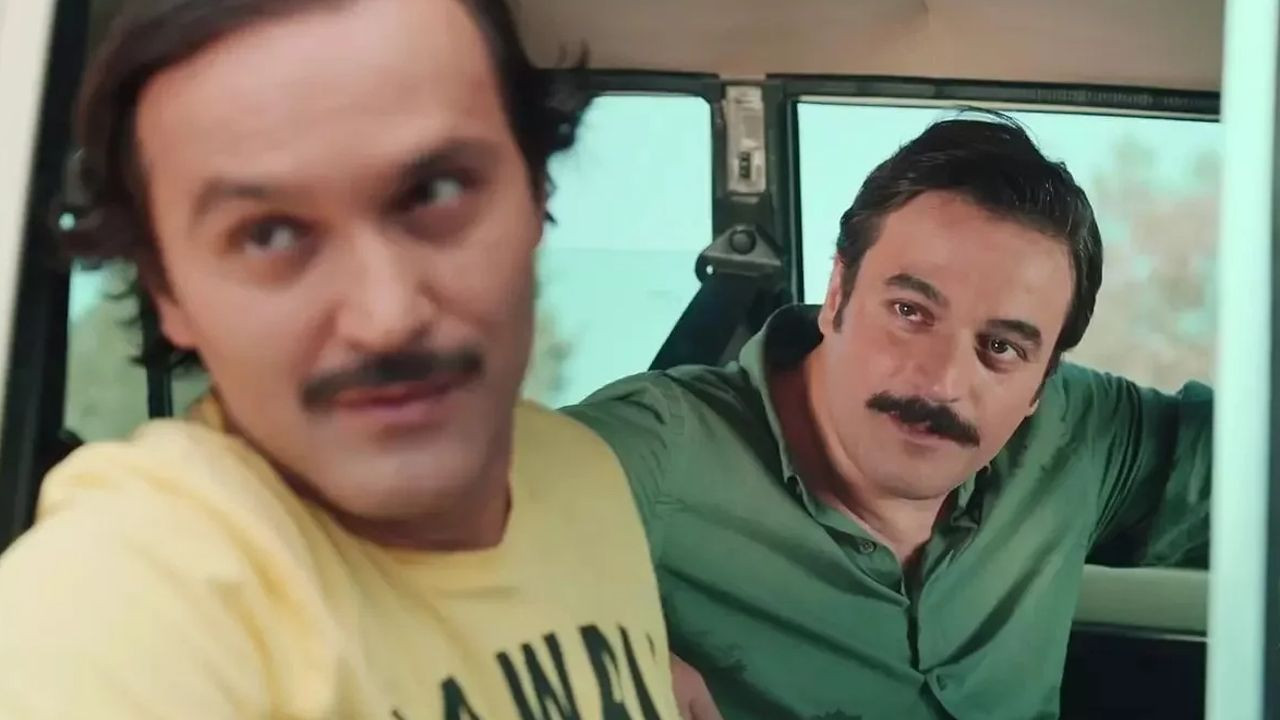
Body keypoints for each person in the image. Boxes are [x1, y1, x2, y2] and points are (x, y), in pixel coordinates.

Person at [0, 1, 682, 718]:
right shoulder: (119, 604)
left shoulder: (581, 470)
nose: (386, 319)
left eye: (435, 193)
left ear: (537, 193)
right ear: (166, 290)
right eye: (268, 234)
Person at [564, 115, 1212, 720]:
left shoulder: (1082, 436)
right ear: (837, 294)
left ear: (1043, 382)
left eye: (1000, 347)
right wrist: (584, 656)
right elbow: (505, 503)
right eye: (910, 312)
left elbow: (1245, 465)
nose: (942, 383)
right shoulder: (659, 448)